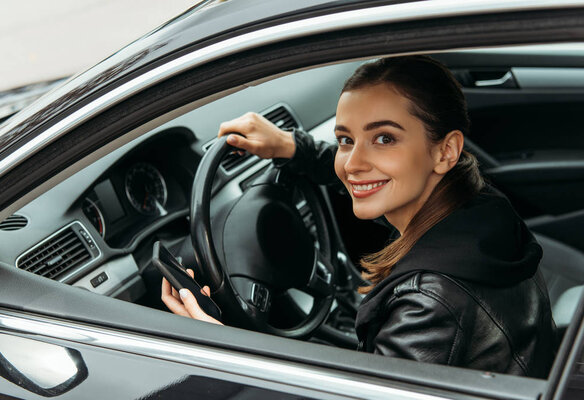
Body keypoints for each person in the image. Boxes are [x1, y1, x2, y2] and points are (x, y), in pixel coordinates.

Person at [161, 56, 556, 377]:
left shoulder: (427, 303)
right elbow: (367, 176)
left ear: (445, 151)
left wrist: (219, 348)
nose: (352, 164)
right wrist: (292, 148)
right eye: (345, 140)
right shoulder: (477, 207)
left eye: (384, 138)